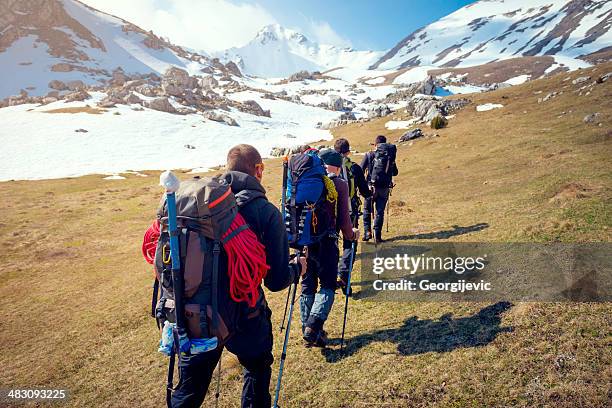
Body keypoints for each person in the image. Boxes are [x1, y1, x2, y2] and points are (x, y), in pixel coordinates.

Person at [171, 144, 306, 408]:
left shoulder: (201, 203)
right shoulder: (265, 211)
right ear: (258, 169)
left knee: (188, 393)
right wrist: (297, 268)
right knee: (255, 369)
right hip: (245, 314)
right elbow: (276, 280)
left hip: (195, 313)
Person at [300, 148, 359, 348]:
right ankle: (313, 326)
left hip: (304, 243)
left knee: (308, 285)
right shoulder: (338, 184)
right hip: (327, 242)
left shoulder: (301, 182)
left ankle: (307, 329)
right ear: (336, 165)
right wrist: (352, 235)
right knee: (327, 285)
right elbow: (344, 221)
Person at [333, 138, 371, 292]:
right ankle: (344, 277)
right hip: (350, 211)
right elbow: (365, 192)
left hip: (332, 212)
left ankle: (333, 275)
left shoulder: (328, 167)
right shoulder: (354, 168)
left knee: (332, 243)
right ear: (348, 151)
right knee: (350, 243)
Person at [360, 135, 398, 244]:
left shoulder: (369, 155)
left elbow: (360, 170)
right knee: (379, 212)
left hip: (370, 187)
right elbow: (395, 172)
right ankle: (378, 236)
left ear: (375, 144)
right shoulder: (390, 156)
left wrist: (364, 185)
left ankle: (367, 232)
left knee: (367, 210)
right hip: (384, 188)